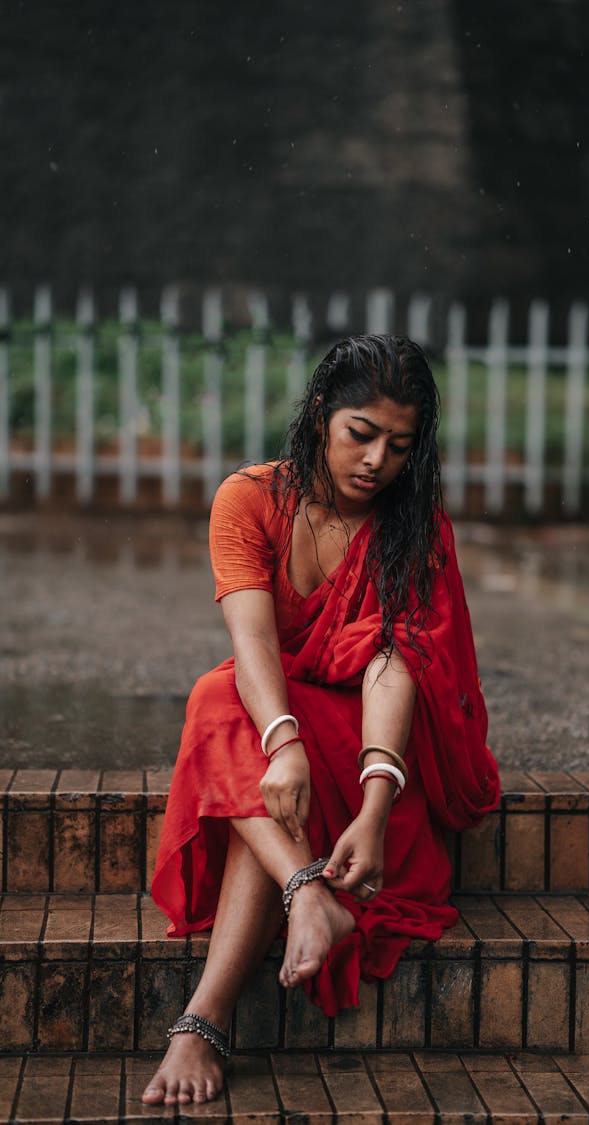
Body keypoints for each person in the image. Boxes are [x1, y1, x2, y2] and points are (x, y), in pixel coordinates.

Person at [142, 334, 500, 1106]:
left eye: (399, 446)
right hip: (286, 731)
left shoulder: (415, 528)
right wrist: (286, 744)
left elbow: (393, 664)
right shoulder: (248, 499)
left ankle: (204, 1015)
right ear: (318, 416)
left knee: (231, 733)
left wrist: (375, 809)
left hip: (383, 749)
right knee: (220, 693)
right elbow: (255, 643)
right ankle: (307, 897)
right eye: (360, 434)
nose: (377, 460)